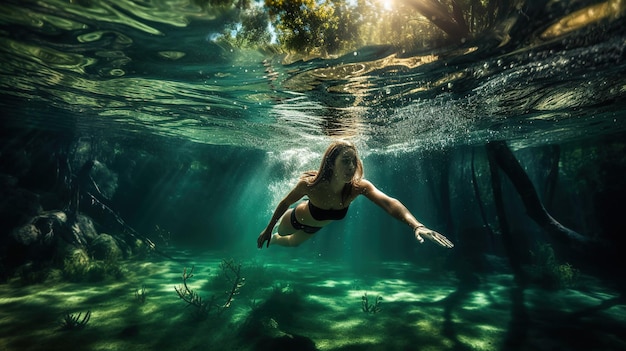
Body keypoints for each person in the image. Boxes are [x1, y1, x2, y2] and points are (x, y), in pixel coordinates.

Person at [257, 140, 454, 249]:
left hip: (314, 227)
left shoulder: (358, 187)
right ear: (331, 163)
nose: (351, 167)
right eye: (345, 161)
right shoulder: (310, 185)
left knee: (292, 244)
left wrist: (416, 225)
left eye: (354, 161)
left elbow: (389, 203)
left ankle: (274, 240)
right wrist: (268, 229)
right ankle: (273, 237)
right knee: (283, 234)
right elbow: (284, 202)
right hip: (294, 219)